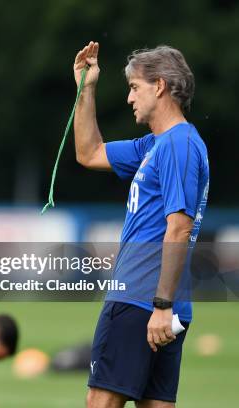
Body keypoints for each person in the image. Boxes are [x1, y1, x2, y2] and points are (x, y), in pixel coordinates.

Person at [73, 42, 209, 407]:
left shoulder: (177, 144)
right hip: (161, 303)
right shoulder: (154, 145)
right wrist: (86, 88)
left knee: (100, 402)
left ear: (160, 86)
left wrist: (160, 305)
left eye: (135, 87)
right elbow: (89, 152)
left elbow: (178, 228)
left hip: (141, 299)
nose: (130, 97)